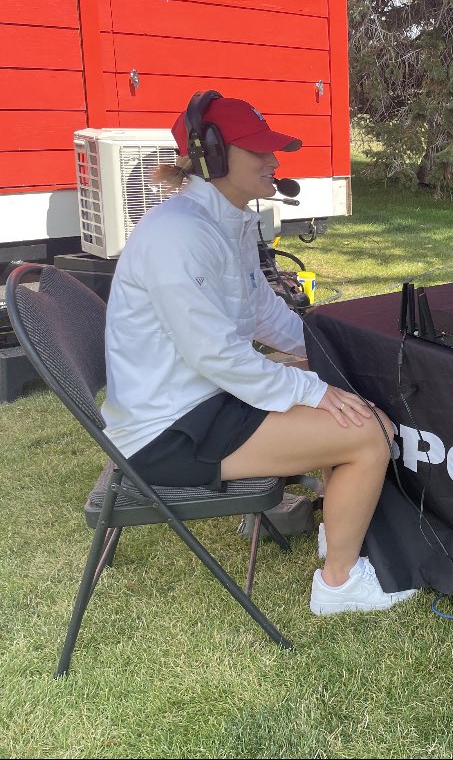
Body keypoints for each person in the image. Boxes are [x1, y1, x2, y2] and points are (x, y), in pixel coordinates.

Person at [102, 91, 414, 615]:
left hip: (200, 401)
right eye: (259, 151)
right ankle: (338, 584)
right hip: (167, 432)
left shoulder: (226, 222)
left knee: (349, 401)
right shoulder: (180, 235)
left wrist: (325, 352)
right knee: (369, 434)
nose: (274, 162)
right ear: (214, 158)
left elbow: (262, 314)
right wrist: (313, 389)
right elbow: (216, 356)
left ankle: (338, 535)